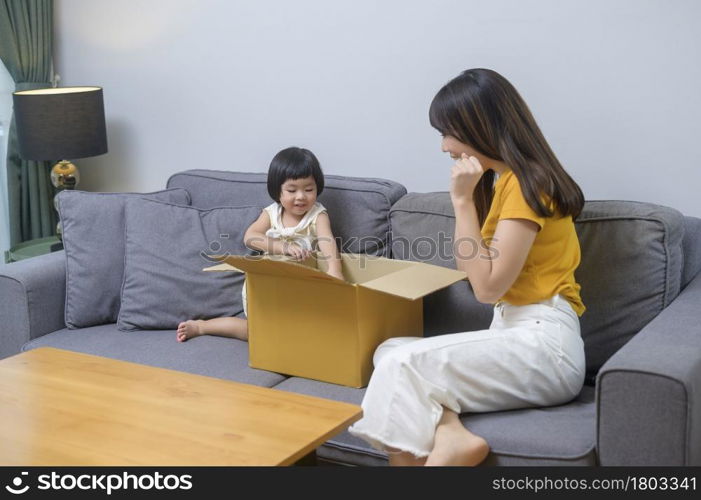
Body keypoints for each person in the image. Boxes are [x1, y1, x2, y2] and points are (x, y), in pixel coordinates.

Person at [348, 68, 587, 466]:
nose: (444, 147)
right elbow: (470, 264)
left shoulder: (531, 184)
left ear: (478, 127)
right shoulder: (502, 183)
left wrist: (460, 202)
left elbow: (487, 288)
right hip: (512, 332)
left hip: (544, 346)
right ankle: (450, 434)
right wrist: (469, 200)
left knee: (400, 365)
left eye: (447, 133)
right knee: (388, 350)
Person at [176, 147, 344, 342]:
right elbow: (250, 236)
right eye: (292, 190)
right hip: (267, 289)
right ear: (278, 192)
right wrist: (284, 247)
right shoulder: (271, 213)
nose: (301, 196)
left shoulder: (317, 215)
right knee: (256, 331)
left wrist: (335, 269)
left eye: (309, 189)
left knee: (299, 332)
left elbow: (327, 240)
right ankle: (202, 326)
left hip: (300, 293)